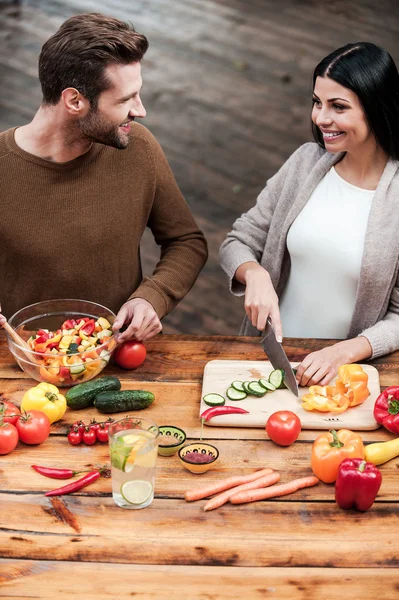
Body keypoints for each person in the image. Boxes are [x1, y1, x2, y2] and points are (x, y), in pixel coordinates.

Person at [0, 13, 208, 342]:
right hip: (20, 365)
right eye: (125, 99)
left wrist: (152, 297)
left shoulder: (139, 147)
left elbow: (186, 242)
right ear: (74, 101)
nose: (140, 111)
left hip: (114, 357)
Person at [220, 42, 399, 387]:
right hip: (268, 360)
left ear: (376, 108)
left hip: (343, 376)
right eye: (317, 102)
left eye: (338, 107)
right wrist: (254, 274)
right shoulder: (305, 162)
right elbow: (238, 241)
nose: (321, 118)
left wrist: (344, 352)